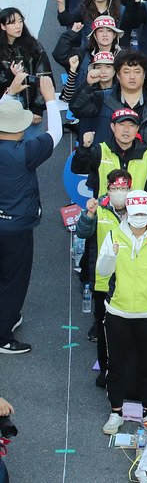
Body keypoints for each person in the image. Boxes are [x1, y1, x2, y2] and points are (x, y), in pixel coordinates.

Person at [95, 189, 147, 434]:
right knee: (116, 364)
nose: (139, 217)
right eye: (135, 213)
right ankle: (115, 412)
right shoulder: (113, 234)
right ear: (127, 213)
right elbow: (102, 270)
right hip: (117, 312)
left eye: (143, 213)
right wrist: (110, 255)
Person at [0, 77, 60, 354]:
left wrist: (9, 94)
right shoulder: (24, 151)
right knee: (14, 280)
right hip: (16, 228)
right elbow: (55, 134)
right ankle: (3, 335)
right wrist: (50, 99)